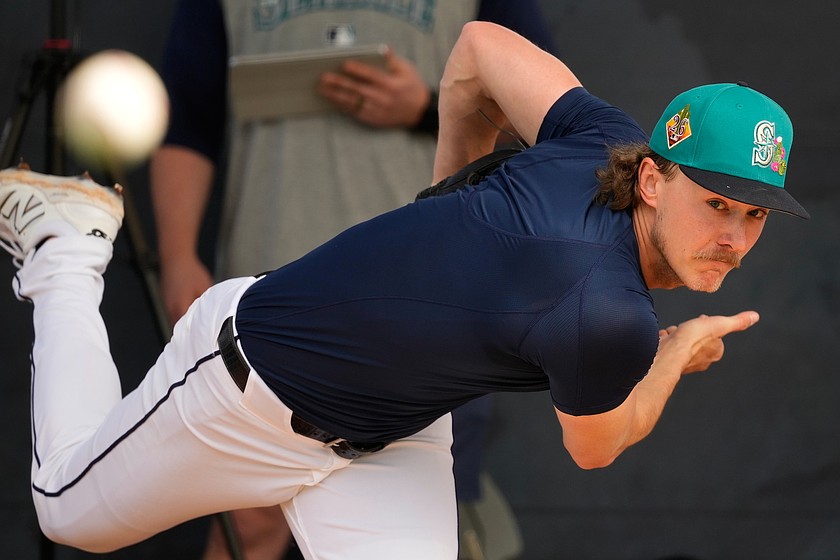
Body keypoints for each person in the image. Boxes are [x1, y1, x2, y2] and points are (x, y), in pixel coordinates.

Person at [0, 21, 808, 560]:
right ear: (653, 180)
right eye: (715, 204)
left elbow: (481, 49)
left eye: (753, 215)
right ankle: (65, 249)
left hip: (392, 436)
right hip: (251, 388)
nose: (733, 236)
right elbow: (596, 446)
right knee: (67, 509)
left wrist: (451, 199)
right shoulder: (611, 315)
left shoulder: (599, 137)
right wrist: (673, 352)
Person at [150, 2, 554, 558]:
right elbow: (187, 121)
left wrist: (428, 108)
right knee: (248, 525)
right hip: (270, 300)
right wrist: (176, 256)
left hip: (431, 307)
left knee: (409, 532)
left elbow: (555, 135)